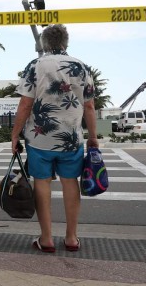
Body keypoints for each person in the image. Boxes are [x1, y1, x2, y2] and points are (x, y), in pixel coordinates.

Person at [11, 24, 97, 253]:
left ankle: (46, 238)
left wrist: (14, 134)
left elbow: (25, 104)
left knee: (42, 183)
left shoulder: (35, 66)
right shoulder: (80, 67)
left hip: (40, 139)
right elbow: (89, 105)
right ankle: (71, 238)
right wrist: (93, 137)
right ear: (65, 42)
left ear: (44, 43)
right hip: (71, 138)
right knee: (70, 183)